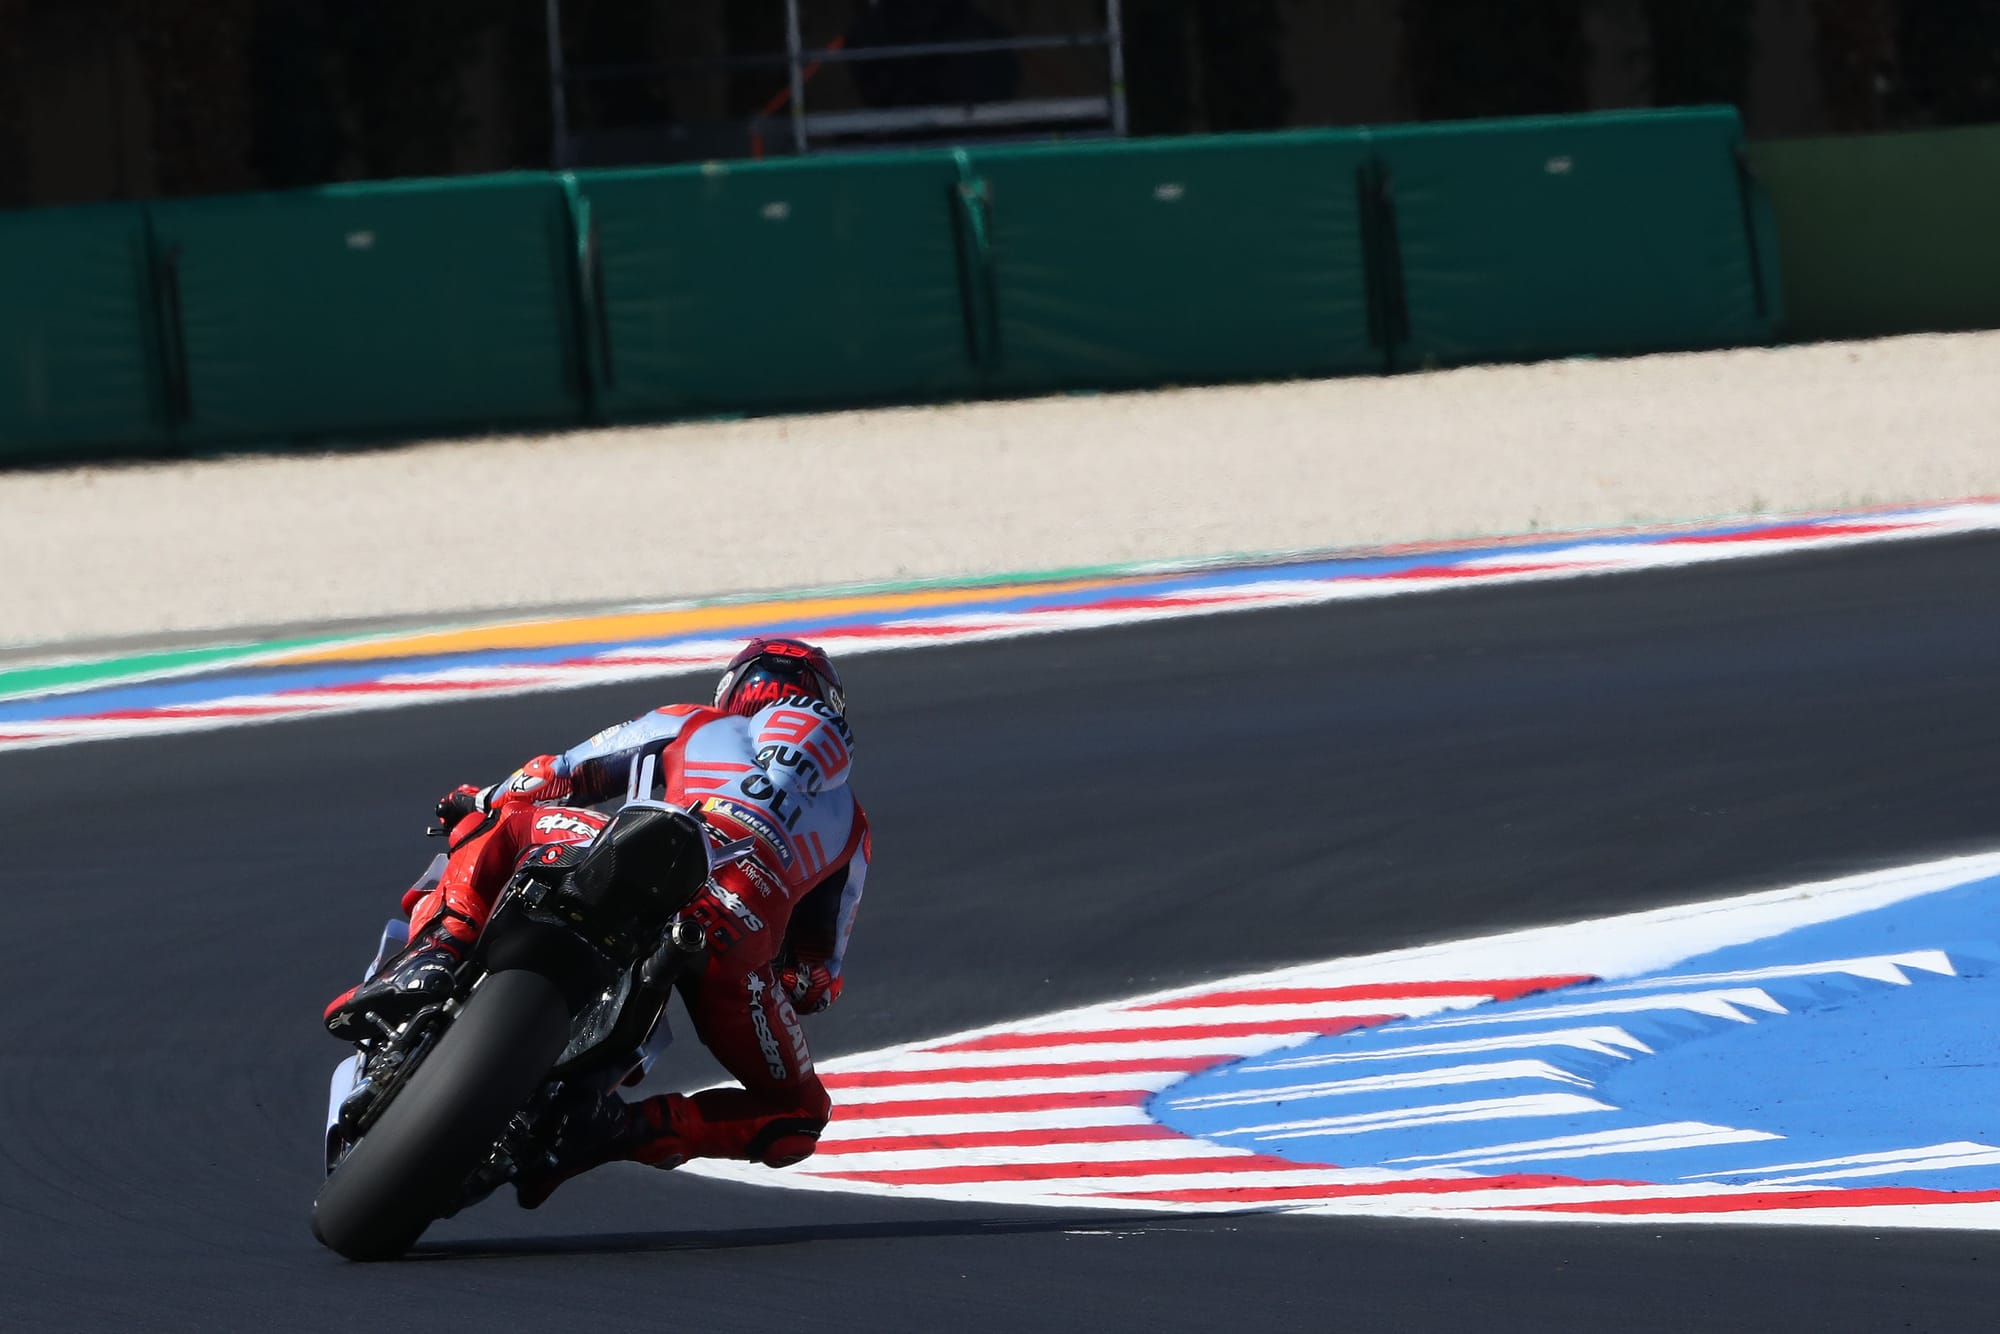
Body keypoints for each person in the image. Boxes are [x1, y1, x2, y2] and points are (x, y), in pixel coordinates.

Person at [324, 637, 868, 1207]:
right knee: (799, 1115)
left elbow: (554, 775)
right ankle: (611, 1130)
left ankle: (436, 951)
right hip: (734, 931)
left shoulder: (692, 722)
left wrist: (480, 800)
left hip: (629, 846)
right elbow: (819, 977)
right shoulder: (853, 826)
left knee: (506, 825)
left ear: (735, 688)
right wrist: (779, 981)